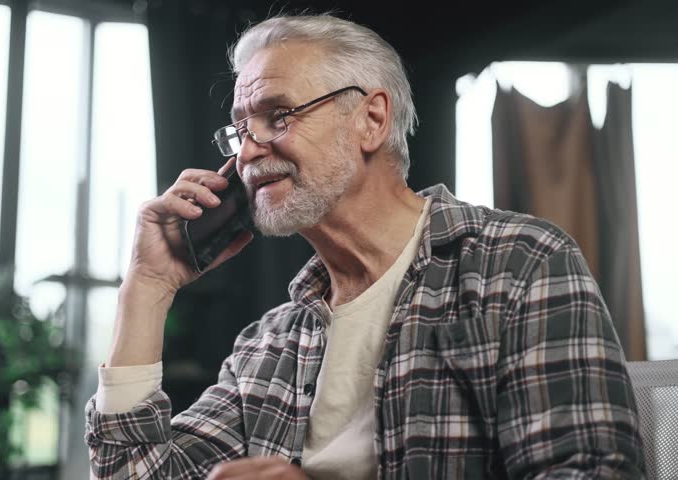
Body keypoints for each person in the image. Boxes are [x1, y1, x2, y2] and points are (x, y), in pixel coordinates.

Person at [84, 13, 646, 480]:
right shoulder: (268, 347)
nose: (248, 153)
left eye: (277, 116)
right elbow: (135, 473)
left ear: (371, 119)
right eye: (239, 129)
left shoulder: (518, 266)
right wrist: (148, 288)